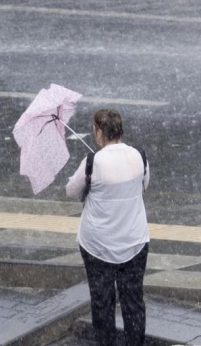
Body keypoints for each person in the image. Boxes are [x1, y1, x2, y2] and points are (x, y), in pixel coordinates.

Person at [65, 108, 150, 346]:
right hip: (134, 242)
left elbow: (71, 191)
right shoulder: (139, 155)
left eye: (95, 129)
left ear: (100, 131)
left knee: (102, 303)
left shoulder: (92, 162)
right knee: (133, 301)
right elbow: (145, 183)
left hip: (97, 246)